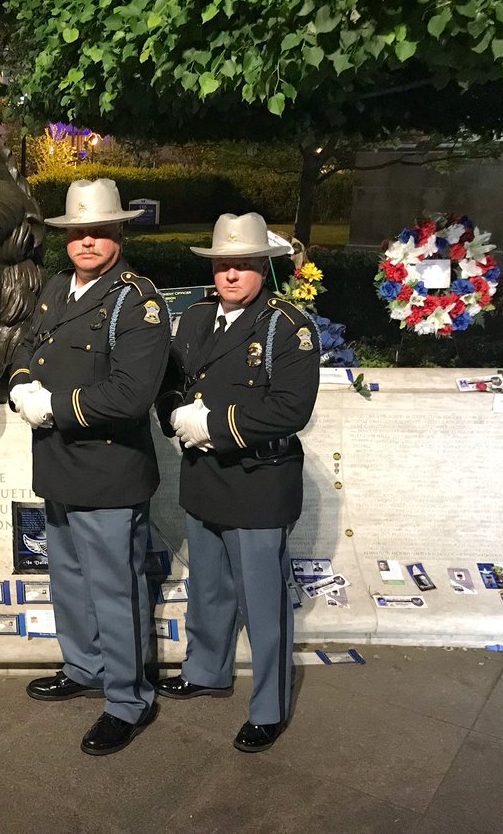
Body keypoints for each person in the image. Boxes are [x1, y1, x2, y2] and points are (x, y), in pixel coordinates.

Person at [9, 178, 170, 756]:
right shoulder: (57, 288)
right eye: (79, 232)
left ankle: (127, 698)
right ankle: (82, 667)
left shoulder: (137, 300)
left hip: (108, 469)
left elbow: (131, 394)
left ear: (119, 234)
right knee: (69, 579)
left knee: (114, 587)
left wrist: (52, 407)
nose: (88, 241)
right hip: (57, 464)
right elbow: (26, 348)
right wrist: (21, 385)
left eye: (100, 231)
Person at [157, 212, 319, 753]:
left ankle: (269, 707)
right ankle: (206, 670)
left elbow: (291, 408)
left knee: (262, 600)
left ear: (263, 267)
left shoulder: (286, 325)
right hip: (205, 476)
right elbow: (170, 379)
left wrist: (214, 425)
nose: (231, 275)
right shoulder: (197, 318)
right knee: (208, 587)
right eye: (224, 264)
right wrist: (176, 415)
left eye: (244, 265)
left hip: (258, 480)